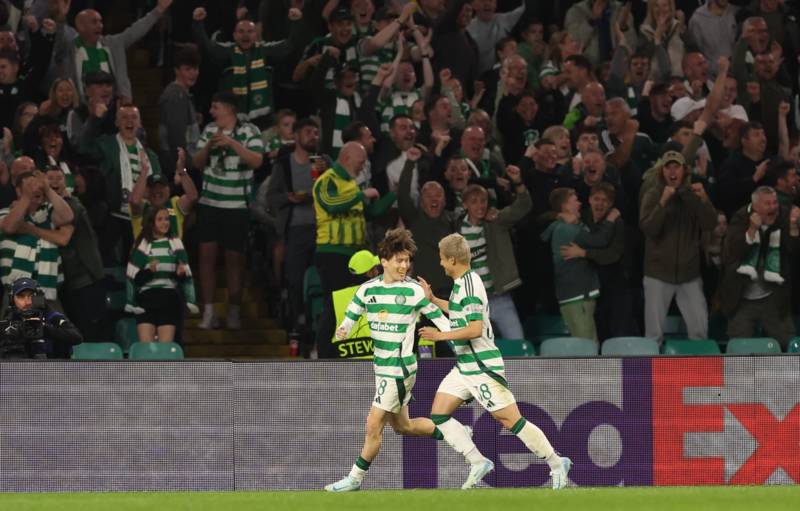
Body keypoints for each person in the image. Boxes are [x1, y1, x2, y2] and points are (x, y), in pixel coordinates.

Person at [417, 233, 572, 490]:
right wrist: (433, 300)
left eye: (442, 259)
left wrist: (439, 335)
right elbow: (458, 311)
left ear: (452, 259)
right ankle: (478, 461)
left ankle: (557, 463)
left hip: (482, 366)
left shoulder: (469, 286)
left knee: (511, 421)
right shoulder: (463, 283)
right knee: (439, 414)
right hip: (465, 366)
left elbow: (474, 329)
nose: (441, 263)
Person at [324, 228, 451, 492]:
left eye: (407, 261)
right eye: (399, 261)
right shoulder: (367, 290)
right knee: (404, 426)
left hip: (400, 368)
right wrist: (344, 328)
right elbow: (352, 314)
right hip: (381, 368)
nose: (405, 266)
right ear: (384, 261)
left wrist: (460, 340)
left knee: (373, 424)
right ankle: (459, 435)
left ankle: (354, 479)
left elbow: (440, 320)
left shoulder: (414, 291)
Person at [312, 141, 394, 357]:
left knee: (352, 306)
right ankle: (323, 354)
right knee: (334, 306)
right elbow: (331, 204)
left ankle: (346, 351)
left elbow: (370, 213)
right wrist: (361, 195)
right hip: (332, 253)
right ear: (347, 158)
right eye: (361, 161)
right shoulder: (327, 180)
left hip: (354, 256)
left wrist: (394, 195)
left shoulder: (352, 185)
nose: (363, 165)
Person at [191, 91, 264, 330]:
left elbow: (257, 161)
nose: (211, 112)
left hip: (236, 206)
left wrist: (232, 143)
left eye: (216, 107)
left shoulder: (249, 131)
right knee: (206, 258)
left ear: (229, 108)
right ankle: (209, 312)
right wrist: (209, 146)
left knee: (235, 261)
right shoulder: (210, 130)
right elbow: (196, 163)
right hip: (209, 203)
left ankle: (234, 311)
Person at [639, 150, 718, 342]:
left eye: (677, 167)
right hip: (658, 273)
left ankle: (700, 362)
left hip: (689, 274)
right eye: (668, 167)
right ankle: (654, 362)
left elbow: (709, 223)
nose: (672, 171)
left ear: (684, 170)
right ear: (662, 171)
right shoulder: (653, 193)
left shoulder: (694, 194)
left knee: (700, 331)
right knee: (653, 335)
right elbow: (648, 229)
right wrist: (662, 203)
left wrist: (703, 200)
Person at [718, 186, 800, 349]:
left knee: (788, 345)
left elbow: (793, 250)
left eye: (775, 202)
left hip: (773, 296)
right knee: (738, 348)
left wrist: (793, 226)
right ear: (755, 207)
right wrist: (752, 229)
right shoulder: (740, 218)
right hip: (741, 297)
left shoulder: (784, 215)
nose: (773, 207)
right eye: (767, 203)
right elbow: (735, 251)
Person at [458, 166, 531, 339]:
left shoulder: (495, 221)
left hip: (500, 298)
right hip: (471, 305)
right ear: (465, 204)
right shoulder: (455, 230)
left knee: (517, 345)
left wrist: (518, 183)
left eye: (483, 201)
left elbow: (523, 206)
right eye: (474, 201)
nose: (480, 205)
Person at [51, 0, 174, 101]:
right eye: (94, 22)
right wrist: (60, 18)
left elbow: (135, 31)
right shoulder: (69, 48)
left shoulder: (113, 44)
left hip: (113, 109)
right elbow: (59, 40)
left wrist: (158, 11)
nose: (100, 26)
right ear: (81, 26)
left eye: (100, 22)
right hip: (80, 109)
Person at [542, 187, 620, 341]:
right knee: (587, 345)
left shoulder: (565, 225)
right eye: (575, 200)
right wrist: (610, 220)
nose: (579, 203)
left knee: (583, 343)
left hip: (573, 296)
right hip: (577, 296)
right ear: (565, 206)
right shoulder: (566, 229)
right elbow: (599, 241)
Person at [125, 206, 198, 343]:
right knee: (146, 349)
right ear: (151, 222)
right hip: (146, 300)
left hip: (168, 300)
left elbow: (182, 279)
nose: (165, 223)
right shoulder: (142, 245)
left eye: (167, 219)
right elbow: (135, 279)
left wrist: (179, 274)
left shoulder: (175, 244)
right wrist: (149, 271)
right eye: (160, 219)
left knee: (165, 350)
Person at [0, 277, 82, 359]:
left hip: (54, 365)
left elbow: (77, 337)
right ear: (12, 299)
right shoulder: (9, 321)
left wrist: (43, 328)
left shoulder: (51, 316)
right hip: (22, 365)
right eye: (21, 296)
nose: (27, 302)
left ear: (39, 297)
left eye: (31, 296)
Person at [158, 47, 201, 177]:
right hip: (180, 165)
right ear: (177, 70)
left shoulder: (181, 94)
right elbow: (176, 137)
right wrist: (185, 166)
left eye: (195, 69)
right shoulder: (176, 96)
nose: (193, 73)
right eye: (187, 69)